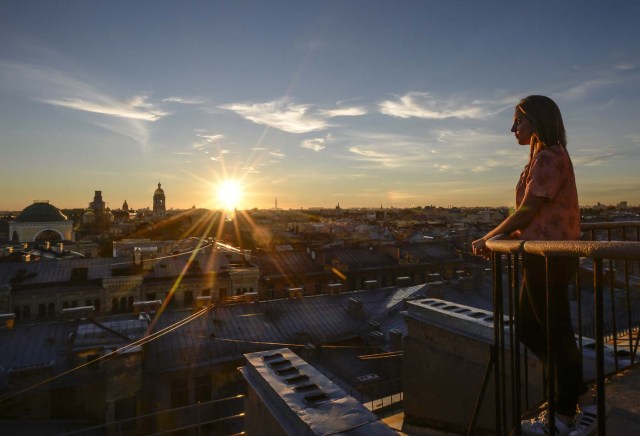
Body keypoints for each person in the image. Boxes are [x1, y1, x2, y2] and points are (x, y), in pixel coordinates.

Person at [471, 95, 596, 435]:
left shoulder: (548, 157)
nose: (513, 128)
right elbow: (528, 212)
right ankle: (578, 392)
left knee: (555, 333)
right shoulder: (548, 157)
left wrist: (489, 238)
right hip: (543, 254)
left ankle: (565, 411)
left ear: (537, 121)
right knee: (531, 327)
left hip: (549, 256)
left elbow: (526, 212)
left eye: (519, 121)